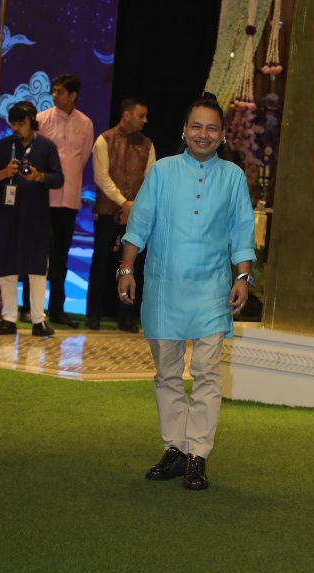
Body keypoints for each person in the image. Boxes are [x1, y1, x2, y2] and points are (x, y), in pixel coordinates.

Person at [117, 92, 256, 490]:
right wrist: (126, 268)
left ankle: (198, 455)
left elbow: (241, 231)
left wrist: (242, 277)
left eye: (211, 128)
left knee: (208, 373)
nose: (203, 134)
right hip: (165, 289)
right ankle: (175, 449)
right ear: (184, 130)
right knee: (167, 374)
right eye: (196, 126)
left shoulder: (232, 177)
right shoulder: (162, 171)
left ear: (223, 135)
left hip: (212, 290)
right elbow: (139, 225)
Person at [0, 101, 64, 337]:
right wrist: (3, 173)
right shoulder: (4, 146)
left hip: (37, 218)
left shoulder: (46, 147)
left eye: (21, 123)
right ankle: (8, 318)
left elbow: (58, 179)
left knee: (37, 267)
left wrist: (39, 176)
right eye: (13, 124)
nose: (16, 128)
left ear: (32, 122)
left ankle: (38, 320)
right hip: (7, 216)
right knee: (7, 265)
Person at [87, 97, 155, 333]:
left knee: (131, 264)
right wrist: (123, 203)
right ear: (127, 115)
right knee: (101, 262)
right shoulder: (104, 140)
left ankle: (126, 316)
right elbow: (101, 177)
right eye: (141, 115)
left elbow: (151, 179)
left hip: (136, 216)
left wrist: (135, 206)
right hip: (108, 212)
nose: (145, 120)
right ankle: (94, 314)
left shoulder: (147, 145)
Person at [37, 74, 94, 329]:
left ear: (73, 96)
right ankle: (30, 308)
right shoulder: (42, 120)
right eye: (53, 90)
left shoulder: (85, 123)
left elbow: (82, 158)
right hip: (44, 198)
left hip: (69, 199)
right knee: (38, 253)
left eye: (60, 91)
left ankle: (57, 309)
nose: (54, 95)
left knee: (61, 256)